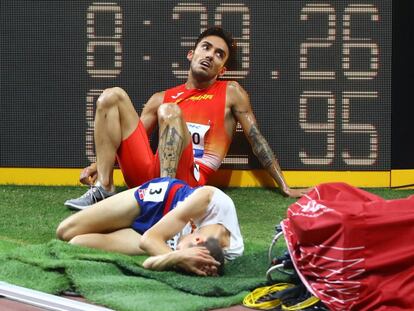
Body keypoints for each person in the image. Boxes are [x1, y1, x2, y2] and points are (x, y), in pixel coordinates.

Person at [64, 26, 309, 210]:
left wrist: (284, 185)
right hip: (146, 176)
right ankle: (104, 187)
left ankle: (165, 200)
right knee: (111, 96)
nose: (210, 55)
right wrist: (97, 167)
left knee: (171, 112)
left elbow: (256, 140)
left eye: (219, 54)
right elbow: (128, 139)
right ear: (191, 54)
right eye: (206, 48)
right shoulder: (161, 98)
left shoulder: (231, 92)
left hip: (187, 183)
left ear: (221, 69)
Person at [57, 177, 244, 276]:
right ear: (197, 238)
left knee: (76, 242)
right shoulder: (212, 200)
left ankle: (111, 221)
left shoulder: (229, 253)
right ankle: (112, 213)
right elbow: (150, 240)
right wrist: (178, 257)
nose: (180, 247)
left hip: (159, 238)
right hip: (158, 202)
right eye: (182, 247)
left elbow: (151, 249)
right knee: (64, 231)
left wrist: (176, 255)